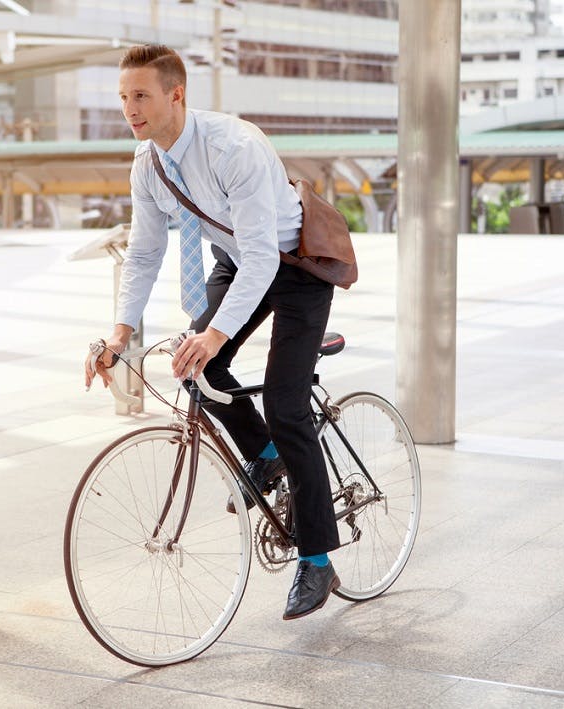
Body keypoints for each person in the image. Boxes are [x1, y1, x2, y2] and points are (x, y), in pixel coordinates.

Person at [83, 44, 341, 620]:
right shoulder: (146, 162)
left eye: (142, 96)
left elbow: (263, 258)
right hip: (240, 260)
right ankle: (267, 455)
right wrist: (121, 335)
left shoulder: (234, 145)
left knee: (285, 402)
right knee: (193, 368)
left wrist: (215, 334)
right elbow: (146, 252)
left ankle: (319, 559)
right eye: (124, 98)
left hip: (293, 266)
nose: (131, 109)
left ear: (177, 94)